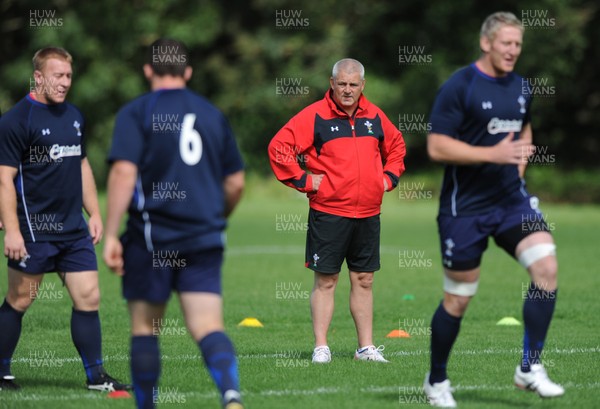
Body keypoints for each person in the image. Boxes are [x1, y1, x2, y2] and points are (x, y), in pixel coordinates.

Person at [423, 12, 564, 407]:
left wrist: (518, 162)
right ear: (486, 43)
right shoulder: (460, 85)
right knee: (459, 297)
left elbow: (524, 127)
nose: (512, 51)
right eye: (506, 43)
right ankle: (436, 382)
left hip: (510, 202)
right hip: (464, 208)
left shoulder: (521, 86)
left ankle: (529, 367)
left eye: (518, 44)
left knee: (546, 269)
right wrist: (493, 153)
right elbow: (437, 147)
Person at [103, 38, 245, 409]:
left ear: (148, 70)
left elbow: (122, 171)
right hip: (203, 238)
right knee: (208, 326)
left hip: (152, 240)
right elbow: (236, 182)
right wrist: (217, 217)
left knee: (146, 328)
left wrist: (110, 233)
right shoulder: (212, 113)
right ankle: (231, 396)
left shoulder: (137, 112)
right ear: (188, 72)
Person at [0, 47, 131, 392]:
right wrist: (12, 230)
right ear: (38, 77)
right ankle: (0, 370)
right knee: (21, 299)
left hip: (73, 228)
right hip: (34, 229)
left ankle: (96, 377)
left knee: (88, 297)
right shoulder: (17, 120)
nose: (64, 83)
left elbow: (82, 165)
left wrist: (96, 212)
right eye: (57, 76)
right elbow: (4, 179)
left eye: (69, 76)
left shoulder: (74, 115)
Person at [268, 58, 406, 364]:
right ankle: (321, 347)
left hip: (368, 213)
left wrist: (388, 178)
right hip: (329, 212)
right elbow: (279, 147)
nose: (347, 90)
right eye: (341, 83)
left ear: (362, 86)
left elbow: (396, 147)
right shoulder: (313, 116)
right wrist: (304, 180)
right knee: (327, 280)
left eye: (353, 84)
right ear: (332, 84)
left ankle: (365, 348)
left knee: (365, 280)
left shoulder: (375, 116)